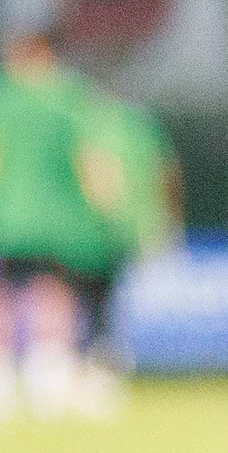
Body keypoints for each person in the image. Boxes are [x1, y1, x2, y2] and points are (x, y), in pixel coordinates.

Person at [0, 22, 122, 422]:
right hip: (60, 218)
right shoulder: (72, 95)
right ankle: (50, 382)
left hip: (5, 216)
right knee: (53, 292)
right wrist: (106, 207)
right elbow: (92, 160)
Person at [69, 81, 180, 393]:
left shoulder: (85, 125)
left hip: (91, 229)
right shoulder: (141, 127)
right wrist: (169, 220)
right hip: (130, 228)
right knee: (104, 297)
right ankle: (100, 359)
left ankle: (92, 361)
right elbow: (167, 175)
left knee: (88, 297)